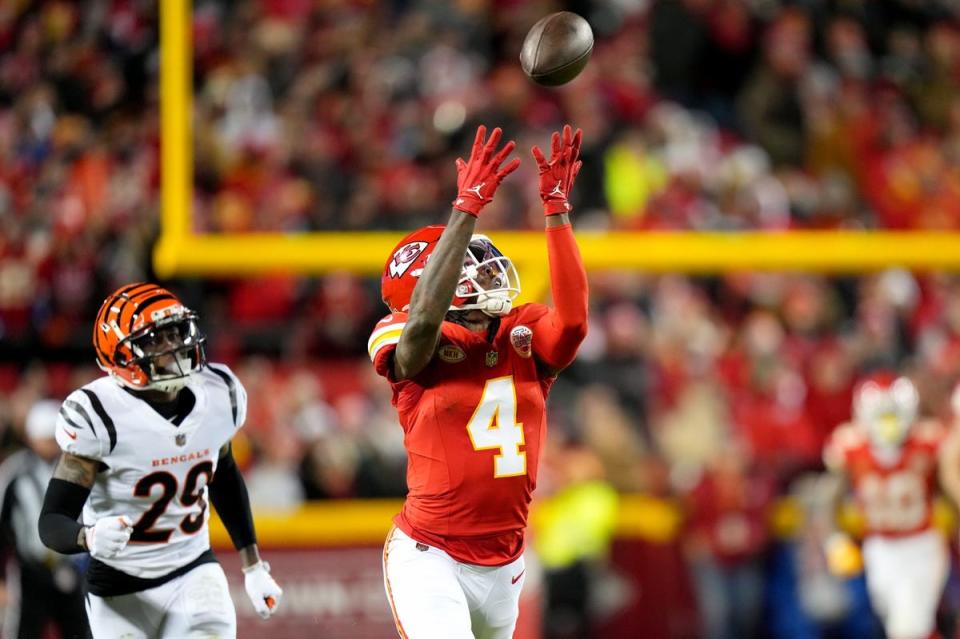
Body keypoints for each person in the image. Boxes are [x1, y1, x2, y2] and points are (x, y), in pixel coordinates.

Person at [368, 124, 589, 639]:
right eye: (470, 264)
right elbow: (421, 326)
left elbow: (575, 324)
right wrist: (465, 209)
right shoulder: (403, 335)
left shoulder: (522, 330)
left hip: (505, 564)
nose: (488, 272)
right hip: (431, 557)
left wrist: (556, 209)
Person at [37, 283, 283, 637]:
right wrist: (86, 538)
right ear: (119, 356)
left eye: (175, 333)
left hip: (194, 570)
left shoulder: (218, 393)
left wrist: (253, 565)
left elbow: (224, 476)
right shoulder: (99, 415)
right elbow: (51, 521)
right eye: (155, 340)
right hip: (119, 587)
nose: (174, 347)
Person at [821, 371, 948, 639]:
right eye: (882, 416)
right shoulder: (852, 446)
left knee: (909, 628)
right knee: (900, 626)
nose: (888, 425)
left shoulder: (928, 441)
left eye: (893, 416)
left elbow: (949, 485)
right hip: (878, 548)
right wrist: (835, 539)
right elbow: (830, 498)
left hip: (920, 544)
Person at [0, 400, 89, 638]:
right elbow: (2, 524)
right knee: (24, 631)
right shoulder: (15, 472)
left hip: (73, 567)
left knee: (81, 630)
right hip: (30, 569)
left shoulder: (78, 468)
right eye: (46, 437)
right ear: (31, 436)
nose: (51, 444)